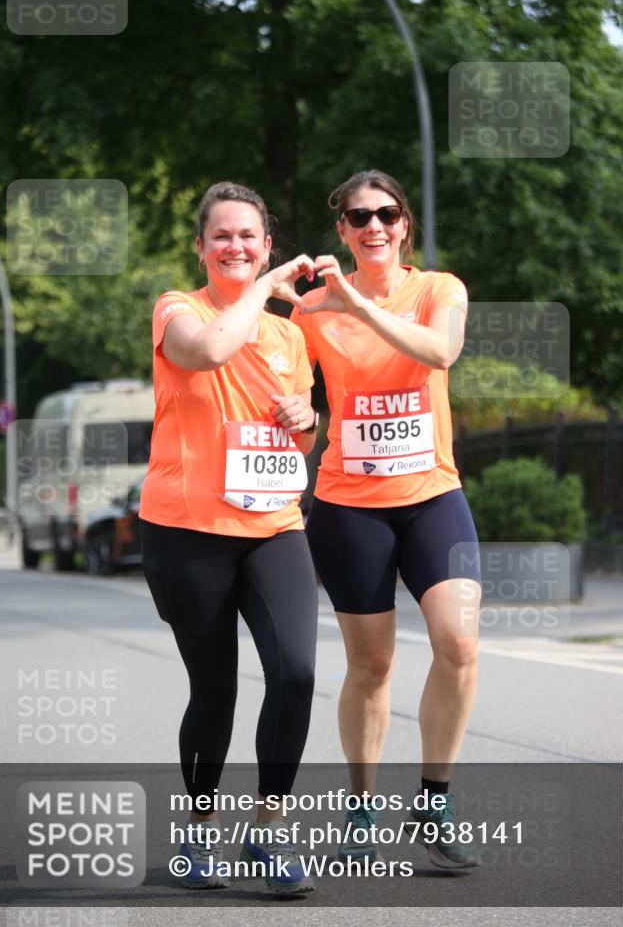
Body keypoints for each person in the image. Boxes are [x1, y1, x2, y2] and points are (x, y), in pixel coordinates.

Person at [292, 170, 482, 871]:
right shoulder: (309, 310)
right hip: (348, 506)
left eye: (386, 213)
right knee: (370, 666)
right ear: (340, 230)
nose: (373, 226)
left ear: (404, 224)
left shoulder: (438, 290)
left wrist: (353, 302)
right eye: (357, 216)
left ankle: (434, 797)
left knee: (458, 645)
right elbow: (300, 413)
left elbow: (438, 352)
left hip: (432, 495)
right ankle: (362, 806)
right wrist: (298, 420)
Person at [140, 182, 318, 894]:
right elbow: (211, 351)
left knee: (297, 674)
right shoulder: (176, 310)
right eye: (223, 235)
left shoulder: (291, 335)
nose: (237, 246)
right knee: (214, 690)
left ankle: (268, 833)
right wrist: (268, 287)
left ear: (266, 241)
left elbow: (303, 441)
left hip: (273, 525)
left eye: (250, 236)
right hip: (187, 531)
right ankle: (197, 834)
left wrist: (306, 420)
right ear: (201, 247)